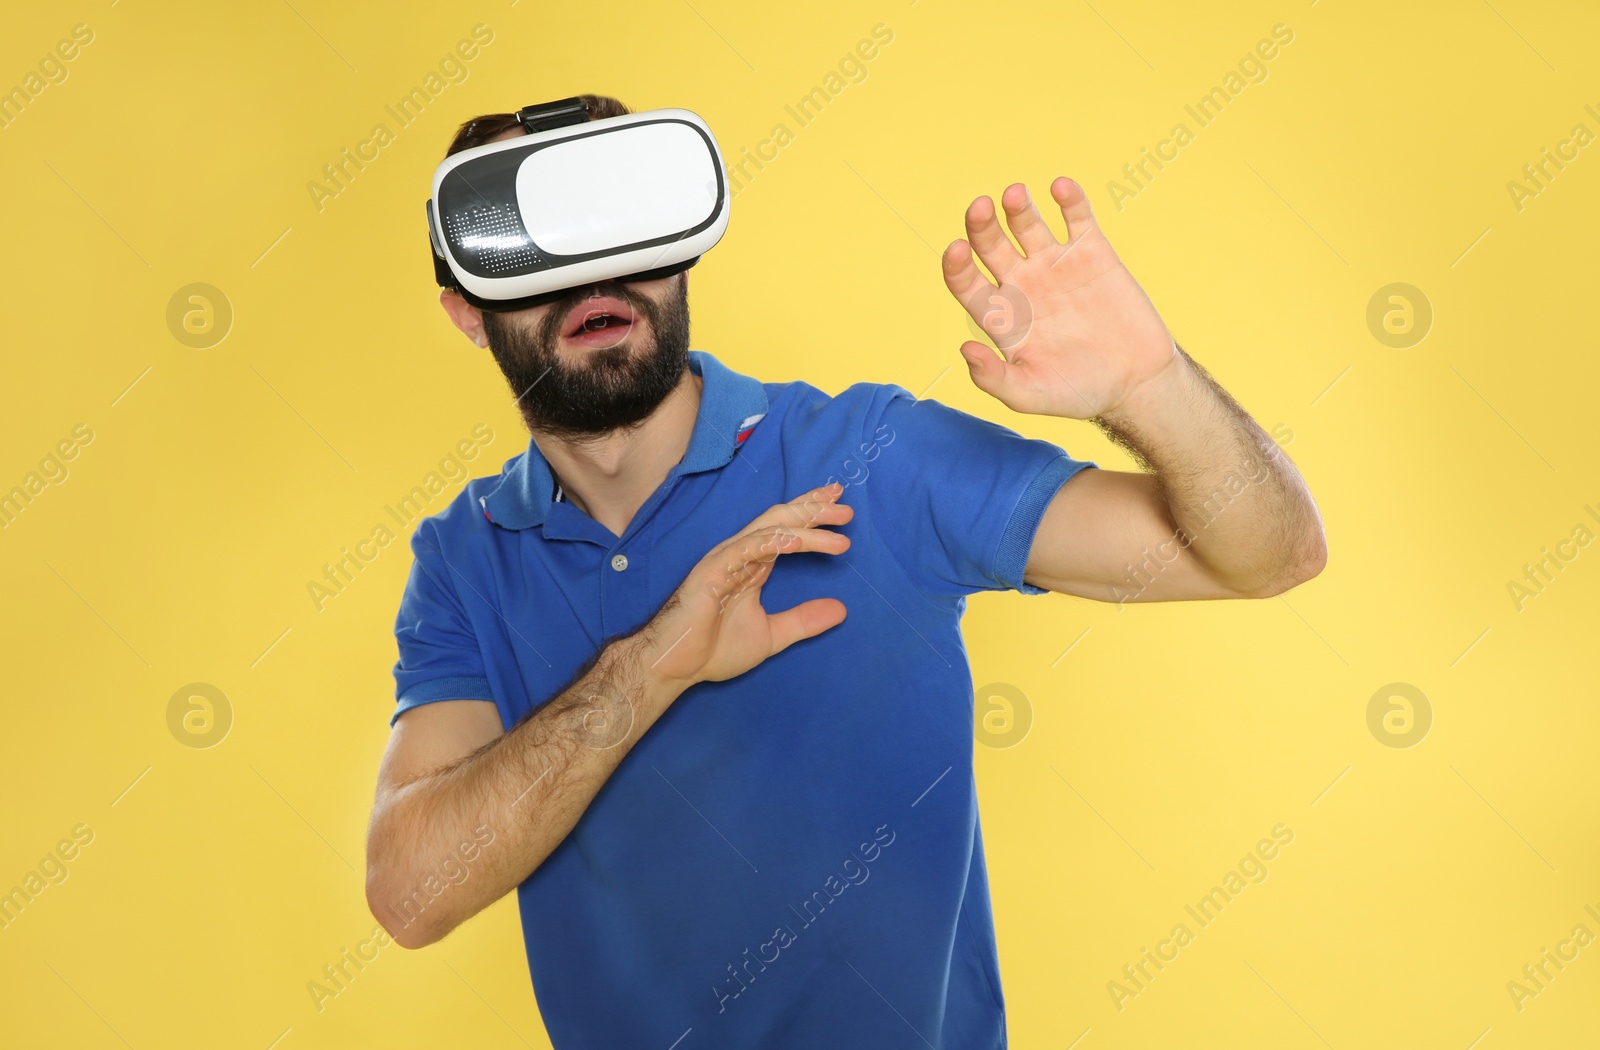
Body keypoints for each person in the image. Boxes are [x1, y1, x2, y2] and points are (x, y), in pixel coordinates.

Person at [364, 92, 1326, 1049]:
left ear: (682, 243)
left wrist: (1149, 390)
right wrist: (658, 659)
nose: (590, 272)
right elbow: (412, 894)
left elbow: (1272, 556)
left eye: (618, 221)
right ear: (466, 311)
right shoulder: (464, 555)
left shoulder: (873, 452)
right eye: (531, 245)